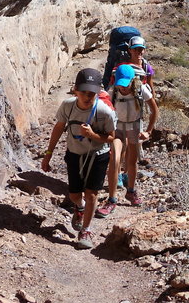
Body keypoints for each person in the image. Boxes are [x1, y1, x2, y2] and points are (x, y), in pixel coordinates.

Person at [41, 68, 116, 249]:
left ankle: (86, 230)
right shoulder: (68, 106)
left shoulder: (104, 112)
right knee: (74, 194)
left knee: (92, 194)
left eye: (92, 93)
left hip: (97, 156)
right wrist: (48, 154)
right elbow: (59, 127)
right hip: (74, 154)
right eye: (83, 92)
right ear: (75, 90)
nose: (87, 97)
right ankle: (80, 207)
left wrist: (93, 135)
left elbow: (112, 137)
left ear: (98, 92)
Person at [95, 62, 157, 216]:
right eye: (120, 84)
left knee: (132, 162)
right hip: (118, 128)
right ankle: (112, 199)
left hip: (135, 127)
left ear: (132, 80)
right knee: (115, 159)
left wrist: (148, 132)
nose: (122, 87)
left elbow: (154, 110)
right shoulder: (113, 91)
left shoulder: (141, 90)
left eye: (125, 84)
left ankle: (131, 191)